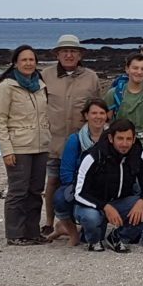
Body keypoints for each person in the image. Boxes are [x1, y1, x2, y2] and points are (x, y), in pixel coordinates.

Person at [40, 34, 101, 237]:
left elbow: (97, 108)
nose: (69, 54)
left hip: (82, 143)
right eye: (64, 51)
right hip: (54, 140)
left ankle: (78, 222)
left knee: (84, 182)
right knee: (53, 181)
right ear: (57, 54)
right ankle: (49, 221)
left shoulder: (91, 77)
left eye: (73, 51)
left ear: (79, 54)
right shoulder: (45, 75)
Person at [73, 119, 143, 252]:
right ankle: (93, 240)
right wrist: (105, 206)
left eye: (128, 139)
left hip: (120, 203)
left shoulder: (140, 156)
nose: (124, 144)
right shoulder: (93, 156)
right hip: (93, 205)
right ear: (110, 138)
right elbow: (78, 193)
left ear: (133, 139)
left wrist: (142, 202)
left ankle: (119, 237)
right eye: (120, 138)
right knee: (91, 217)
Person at [0, 45, 51, 245]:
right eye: (24, 60)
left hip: (41, 146)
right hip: (18, 147)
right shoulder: (6, 87)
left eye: (31, 60)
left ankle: (33, 232)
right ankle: (15, 234)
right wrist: (6, 150)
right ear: (15, 63)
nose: (28, 63)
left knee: (35, 191)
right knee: (18, 191)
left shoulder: (41, 84)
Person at [49, 99, 109, 245]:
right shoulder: (75, 139)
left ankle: (66, 228)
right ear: (86, 115)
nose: (98, 116)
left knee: (96, 237)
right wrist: (81, 190)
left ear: (107, 115)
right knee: (60, 198)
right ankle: (71, 232)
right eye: (94, 113)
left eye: (102, 113)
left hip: (106, 188)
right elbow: (66, 172)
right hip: (79, 186)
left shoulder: (112, 138)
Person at [105, 52, 143, 178]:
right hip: (121, 147)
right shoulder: (114, 93)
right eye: (135, 68)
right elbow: (106, 121)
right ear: (127, 69)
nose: (139, 72)